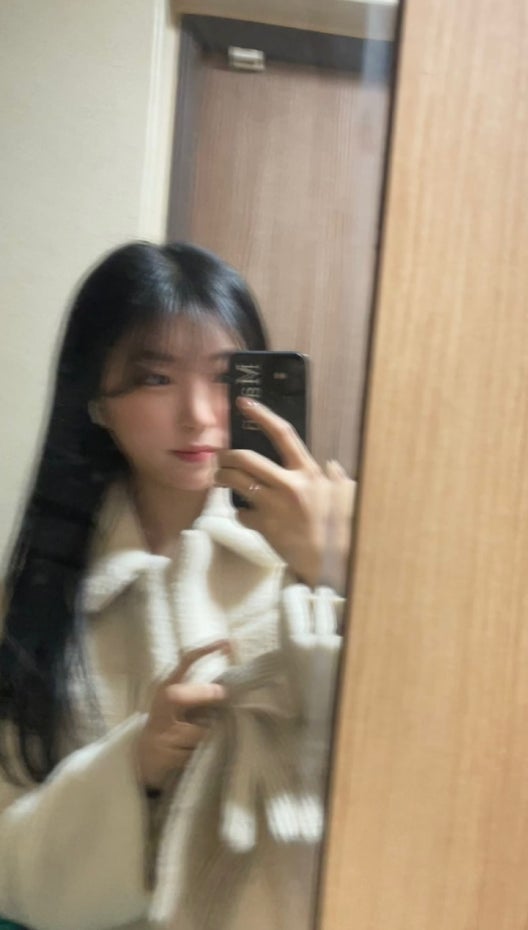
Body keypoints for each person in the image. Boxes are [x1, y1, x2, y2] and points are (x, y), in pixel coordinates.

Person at [0, 242, 353, 930]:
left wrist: (339, 571)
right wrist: (135, 767)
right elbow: (8, 867)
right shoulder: (35, 601)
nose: (197, 414)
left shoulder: (324, 549)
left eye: (224, 377)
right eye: (155, 378)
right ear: (96, 401)